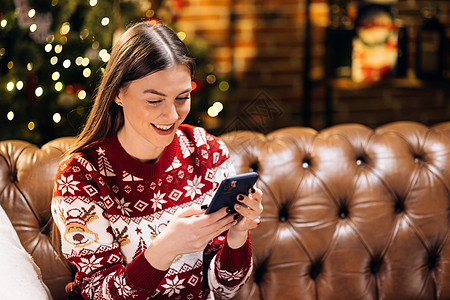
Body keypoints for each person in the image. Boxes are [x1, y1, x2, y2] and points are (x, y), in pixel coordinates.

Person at [51, 19, 263, 300]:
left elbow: (223, 290)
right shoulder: (80, 176)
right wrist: (165, 249)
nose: (173, 116)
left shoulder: (207, 152)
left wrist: (238, 236)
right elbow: (97, 294)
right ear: (117, 93)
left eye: (182, 97)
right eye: (154, 101)